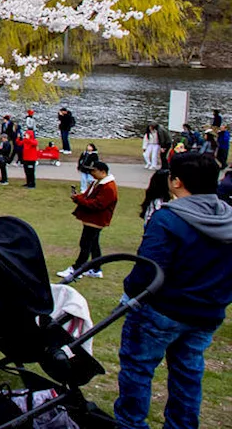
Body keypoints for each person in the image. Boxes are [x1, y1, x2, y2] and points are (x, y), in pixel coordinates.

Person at [115, 152, 232, 428]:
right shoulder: (228, 219)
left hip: (161, 312)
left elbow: (147, 269)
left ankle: (130, 424)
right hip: (206, 313)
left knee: (138, 370)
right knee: (188, 374)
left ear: (176, 182)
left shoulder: (168, 219)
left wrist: (130, 294)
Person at [56, 161, 118, 279]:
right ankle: (96, 268)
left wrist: (79, 200)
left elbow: (97, 204)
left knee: (85, 243)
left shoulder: (108, 187)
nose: (91, 173)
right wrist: (78, 197)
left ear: (103, 172)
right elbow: (88, 197)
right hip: (92, 219)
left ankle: (77, 269)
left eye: (94, 171)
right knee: (93, 244)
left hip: (96, 220)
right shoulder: (98, 183)